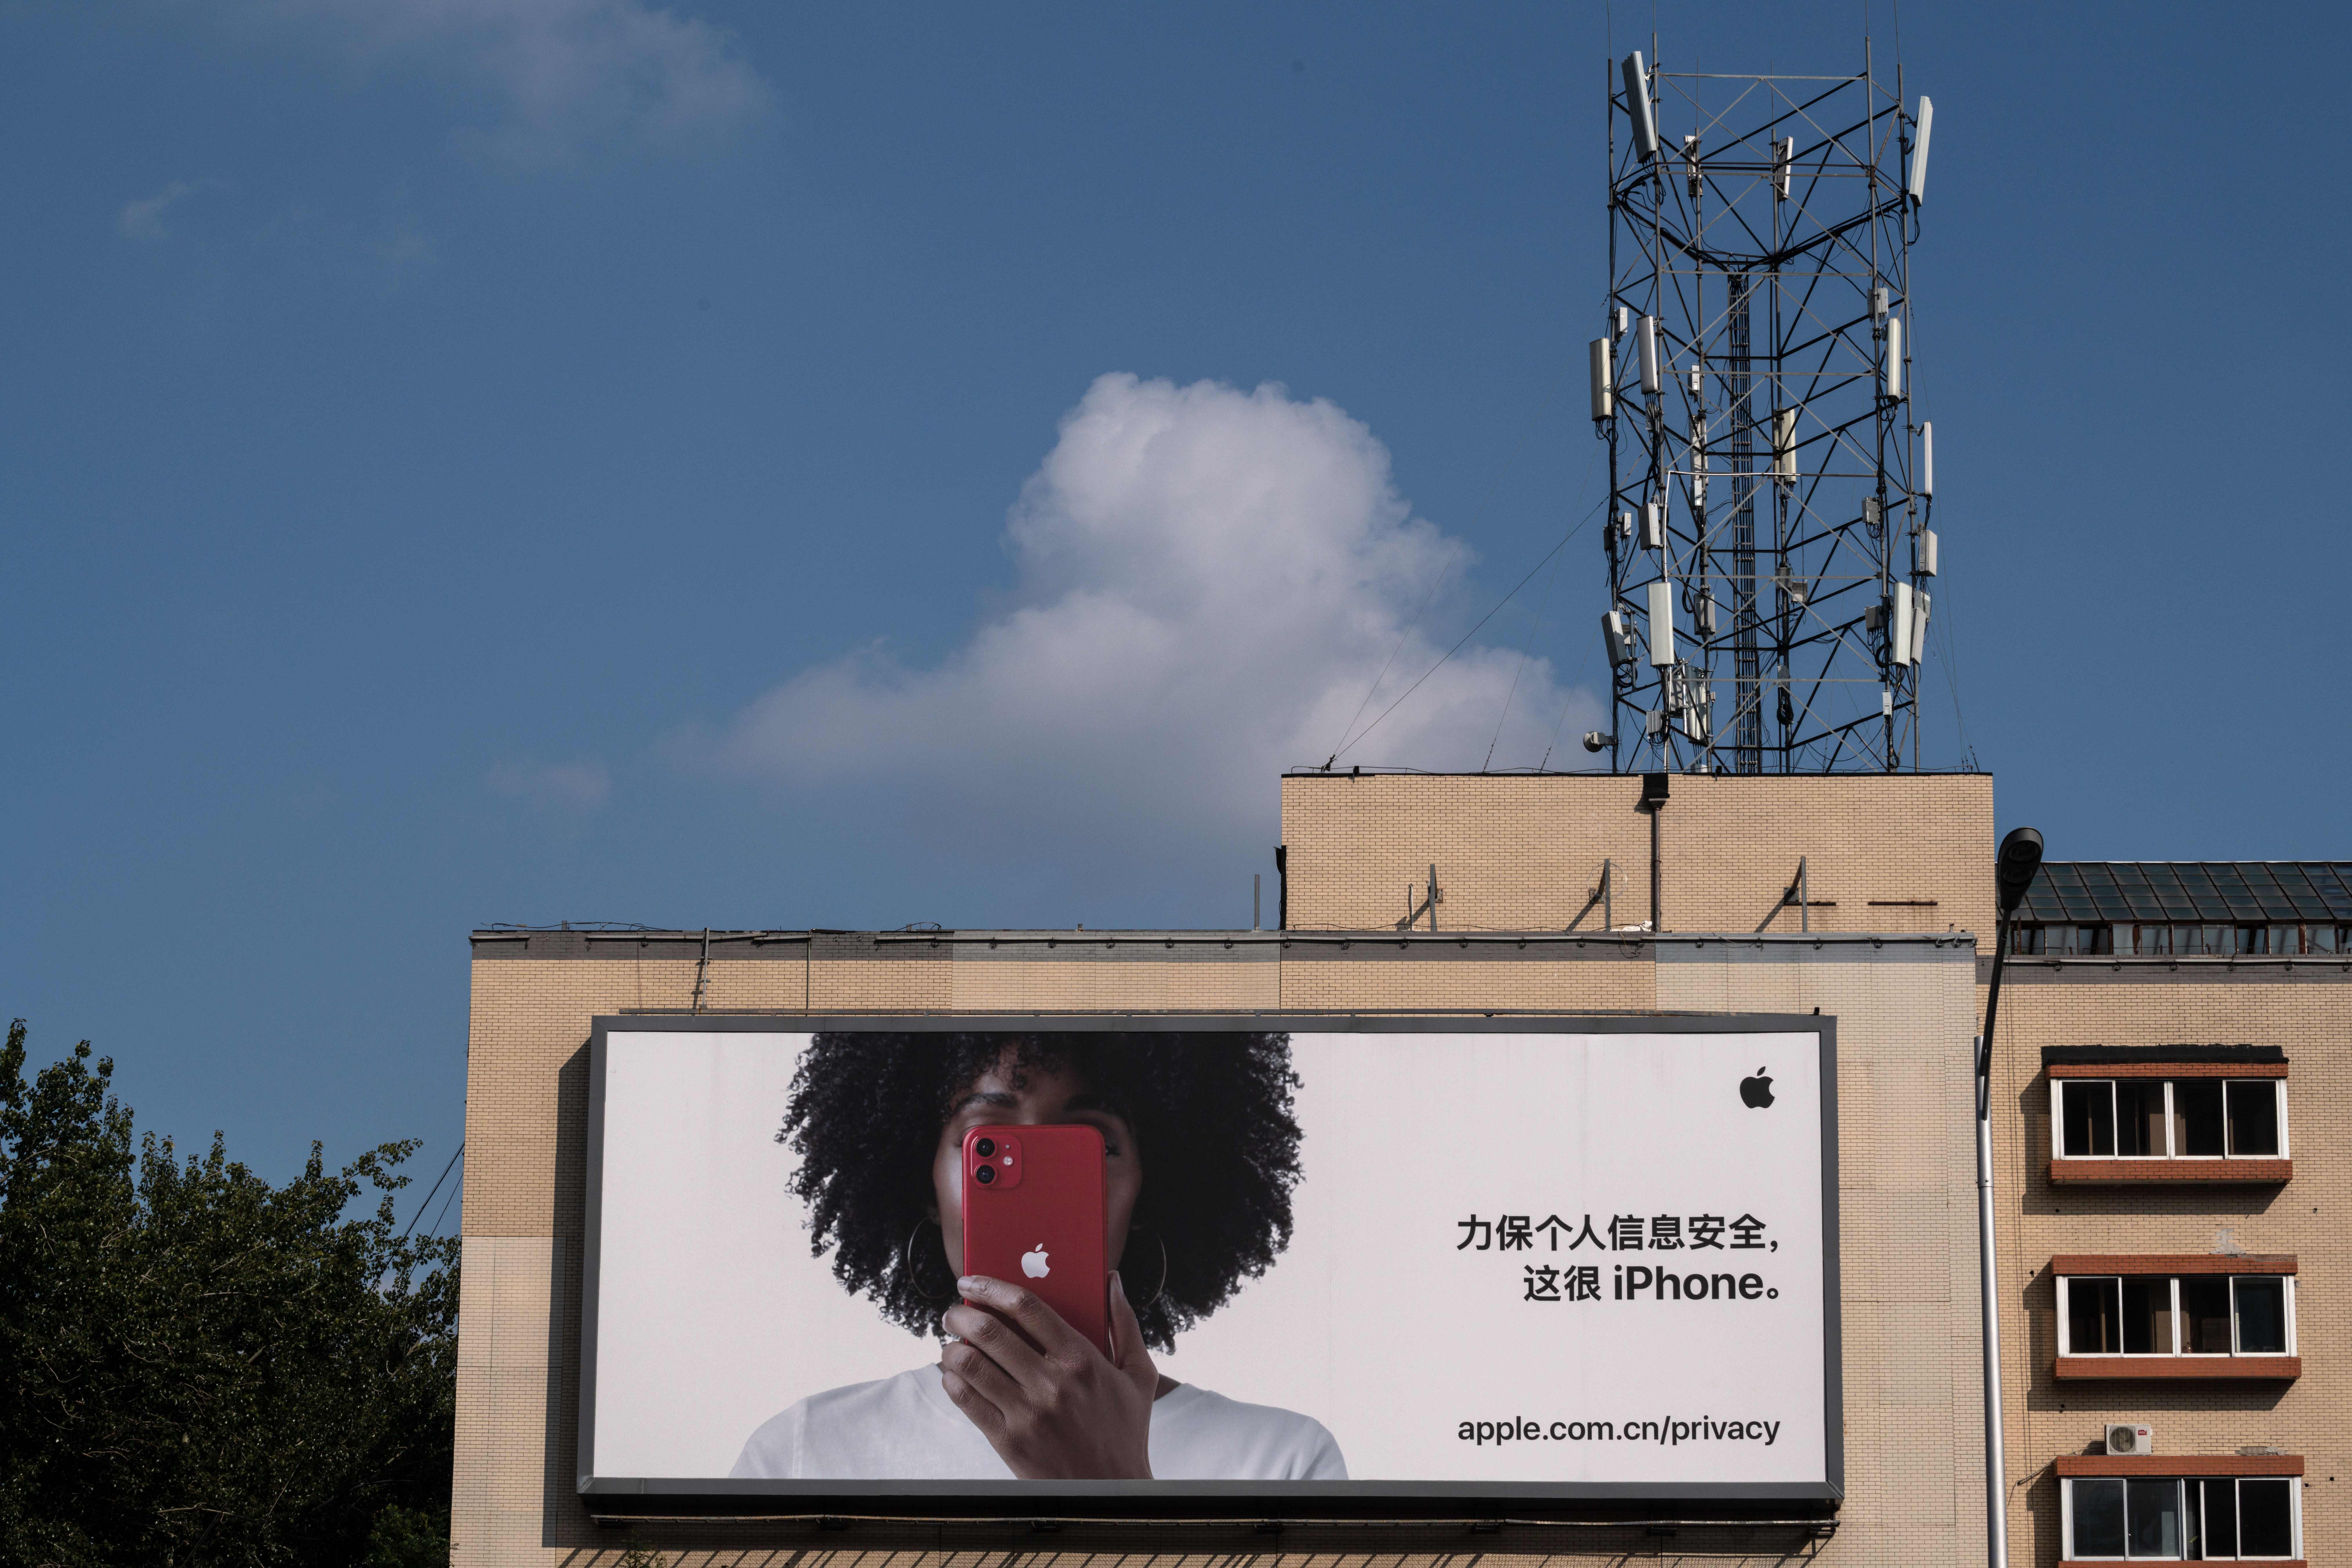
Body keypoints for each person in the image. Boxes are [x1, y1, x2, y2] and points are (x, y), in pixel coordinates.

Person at [731, 1030, 1346, 1482]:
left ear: (1148, 1188)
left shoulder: (1280, 1462)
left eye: (1092, 1143)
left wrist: (1110, 1484)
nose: (1045, 1181)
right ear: (924, 1187)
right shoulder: (804, 1454)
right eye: (987, 1143)